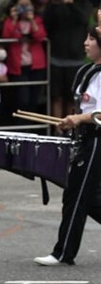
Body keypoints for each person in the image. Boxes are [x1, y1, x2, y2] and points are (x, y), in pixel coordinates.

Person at [33, 23, 101, 266]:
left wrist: (78, 119)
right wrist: (72, 121)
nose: (85, 42)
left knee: (76, 195)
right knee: (90, 199)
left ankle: (63, 253)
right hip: (85, 137)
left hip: (96, 140)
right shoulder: (89, 71)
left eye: (91, 38)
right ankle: (63, 250)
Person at [44, 0, 94, 120]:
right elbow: (47, 23)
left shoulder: (84, 3)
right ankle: (57, 129)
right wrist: (54, 4)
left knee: (72, 97)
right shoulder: (56, 3)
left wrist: (71, 3)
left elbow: (83, 19)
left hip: (76, 59)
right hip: (56, 58)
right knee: (56, 96)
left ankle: (71, 128)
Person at [1, 0, 47, 117]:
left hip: (36, 66)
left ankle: (32, 127)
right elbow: (7, 37)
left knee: (34, 99)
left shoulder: (37, 20)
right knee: (22, 99)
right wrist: (14, 20)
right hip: (18, 66)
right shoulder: (10, 21)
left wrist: (31, 20)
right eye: (21, 5)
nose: (24, 8)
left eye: (27, 5)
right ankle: (22, 125)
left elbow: (40, 36)